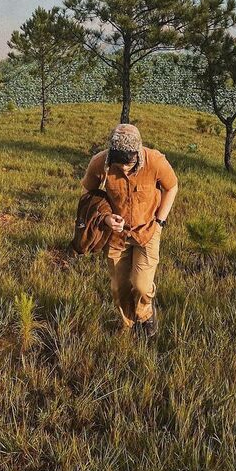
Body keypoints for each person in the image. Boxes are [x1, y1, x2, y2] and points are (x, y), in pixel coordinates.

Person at [81, 123, 178, 337]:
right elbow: (88, 195)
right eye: (119, 163)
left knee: (141, 285)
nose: (124, 168)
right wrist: (105, 218)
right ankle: (130, 326)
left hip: (148, 232)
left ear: (138, 153)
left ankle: (145, 315)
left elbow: (172, 187)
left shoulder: (155, 161)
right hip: (116, 236)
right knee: (119, 289)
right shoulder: (99, 163)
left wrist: (160, 222)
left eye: (130, 164)